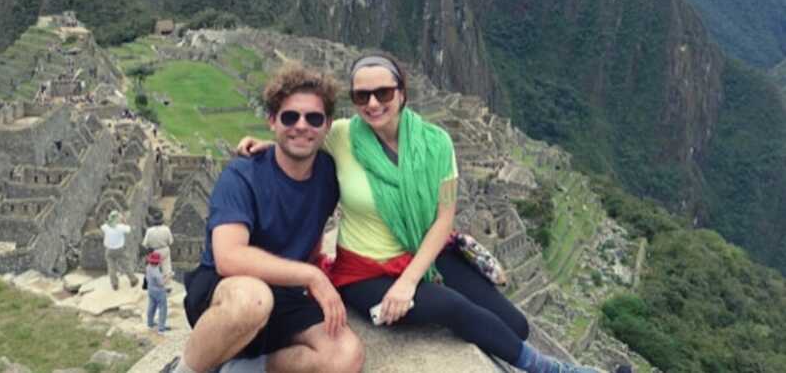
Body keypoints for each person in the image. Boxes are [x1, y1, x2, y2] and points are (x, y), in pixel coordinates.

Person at [239, 55, 597, 373]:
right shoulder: (344, 135)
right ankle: (554, 369)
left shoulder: (437, 143)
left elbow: (445, 218)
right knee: (455, 309)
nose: (373, 103)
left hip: (426, 256)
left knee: (514, 326)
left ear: (402, 92)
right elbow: (301, 139)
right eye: (362, 96)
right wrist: (266, 146)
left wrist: (409, 282)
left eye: (383, 93)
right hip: (365, 271)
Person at [176, 62, 364, 373]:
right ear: (272, 121)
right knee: (253, 300)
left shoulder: (328, 174)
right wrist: (311, 276)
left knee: (346, 355)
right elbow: (229, 258)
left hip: (283, 291)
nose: (302, 126)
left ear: (327, 125)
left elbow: (312, 228)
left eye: (313, 118)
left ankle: (238, 368)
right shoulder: (242, 175)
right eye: (290, 117)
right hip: (227, 292)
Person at [101, 210, 139, 290]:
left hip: (109, 250)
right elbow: (129, 229)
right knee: (126, 264)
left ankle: (114, 284)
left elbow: (103, 226)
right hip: (120, 249)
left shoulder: (106, 227)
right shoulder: (120, 227)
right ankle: (133, 280)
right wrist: (124, 221)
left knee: (111, 267)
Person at [143, 215, 175, 282]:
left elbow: (145, 244)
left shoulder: (149, 231)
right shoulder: (166, 229)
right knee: (166, 267)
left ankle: (155, 283)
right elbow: (171, 242)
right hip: (164, 249)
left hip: (154, 251)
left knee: (154, 268)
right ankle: (167, 284)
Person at [146, 251, 169, 333]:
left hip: (150, 289)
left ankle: (150, 323)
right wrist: (167, 278)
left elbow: (154, 278)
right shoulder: (156, 271)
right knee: (163, 308)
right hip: (159, 291)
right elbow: (161, 283)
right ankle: (161, 327)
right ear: (157, 262)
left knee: (151, 306)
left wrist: (162, 276)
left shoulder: (148, 267)